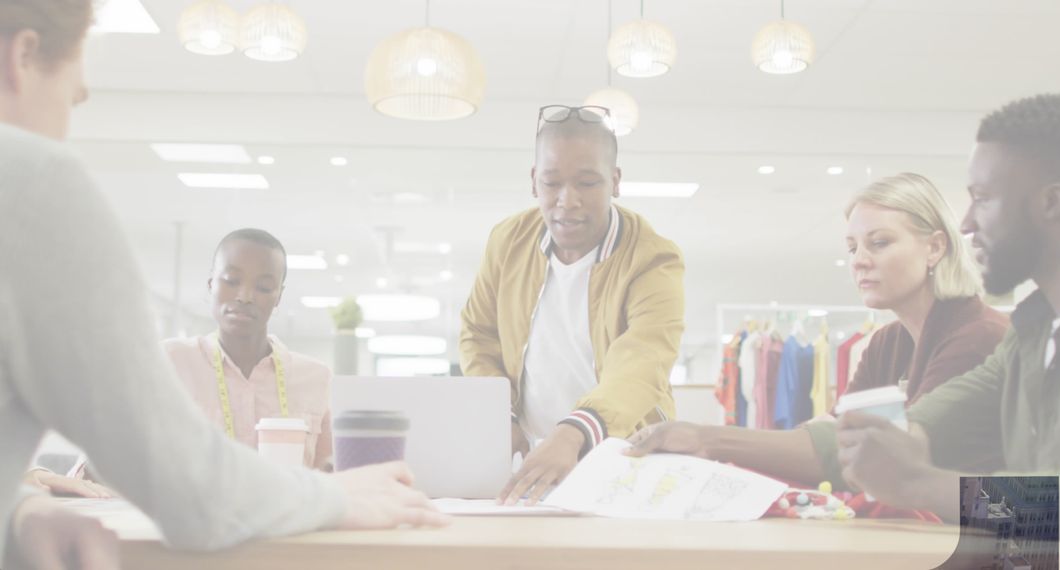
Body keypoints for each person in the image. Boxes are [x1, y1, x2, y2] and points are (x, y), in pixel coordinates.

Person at [0, 1, 446, 567]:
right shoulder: (33, 181)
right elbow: (191, 494)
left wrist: (16, 507)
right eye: (72, 95)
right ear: (22, 58)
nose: (67, 119)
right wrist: (334, 496)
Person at [626, 173, 1007, 488]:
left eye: (879, 243)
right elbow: (832, 428)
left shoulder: (978, 337)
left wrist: (710, 439)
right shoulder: (887, 342)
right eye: (853, 247)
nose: (859, 261)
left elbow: (893, 452)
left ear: (936, 247)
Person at [837, 93, 1060, 540]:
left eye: (983, 199)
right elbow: (916, 427)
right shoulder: (1027, 337)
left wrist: (923, 484)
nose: (966, 223)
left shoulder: (991, 332)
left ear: (1052, 202)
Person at [459, 105, 685, 505]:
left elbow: (645, 358)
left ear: (615, 181)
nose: (567, 201)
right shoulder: (508, 241)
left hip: (626, 458)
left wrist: (573, 432)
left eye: (587, 183)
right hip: (530, 463)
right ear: (533, 182)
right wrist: (500, 415)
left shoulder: (653, 258)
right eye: (552, 183)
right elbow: (478, 335)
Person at [164, 228, 335, 470]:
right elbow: (120, 445)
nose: (245, 296)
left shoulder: (316, 378)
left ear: (278, 297)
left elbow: (328, 477)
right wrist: (89, 477)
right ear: (211, 285)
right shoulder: (170, 363)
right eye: (232, 281)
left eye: (264, 288)